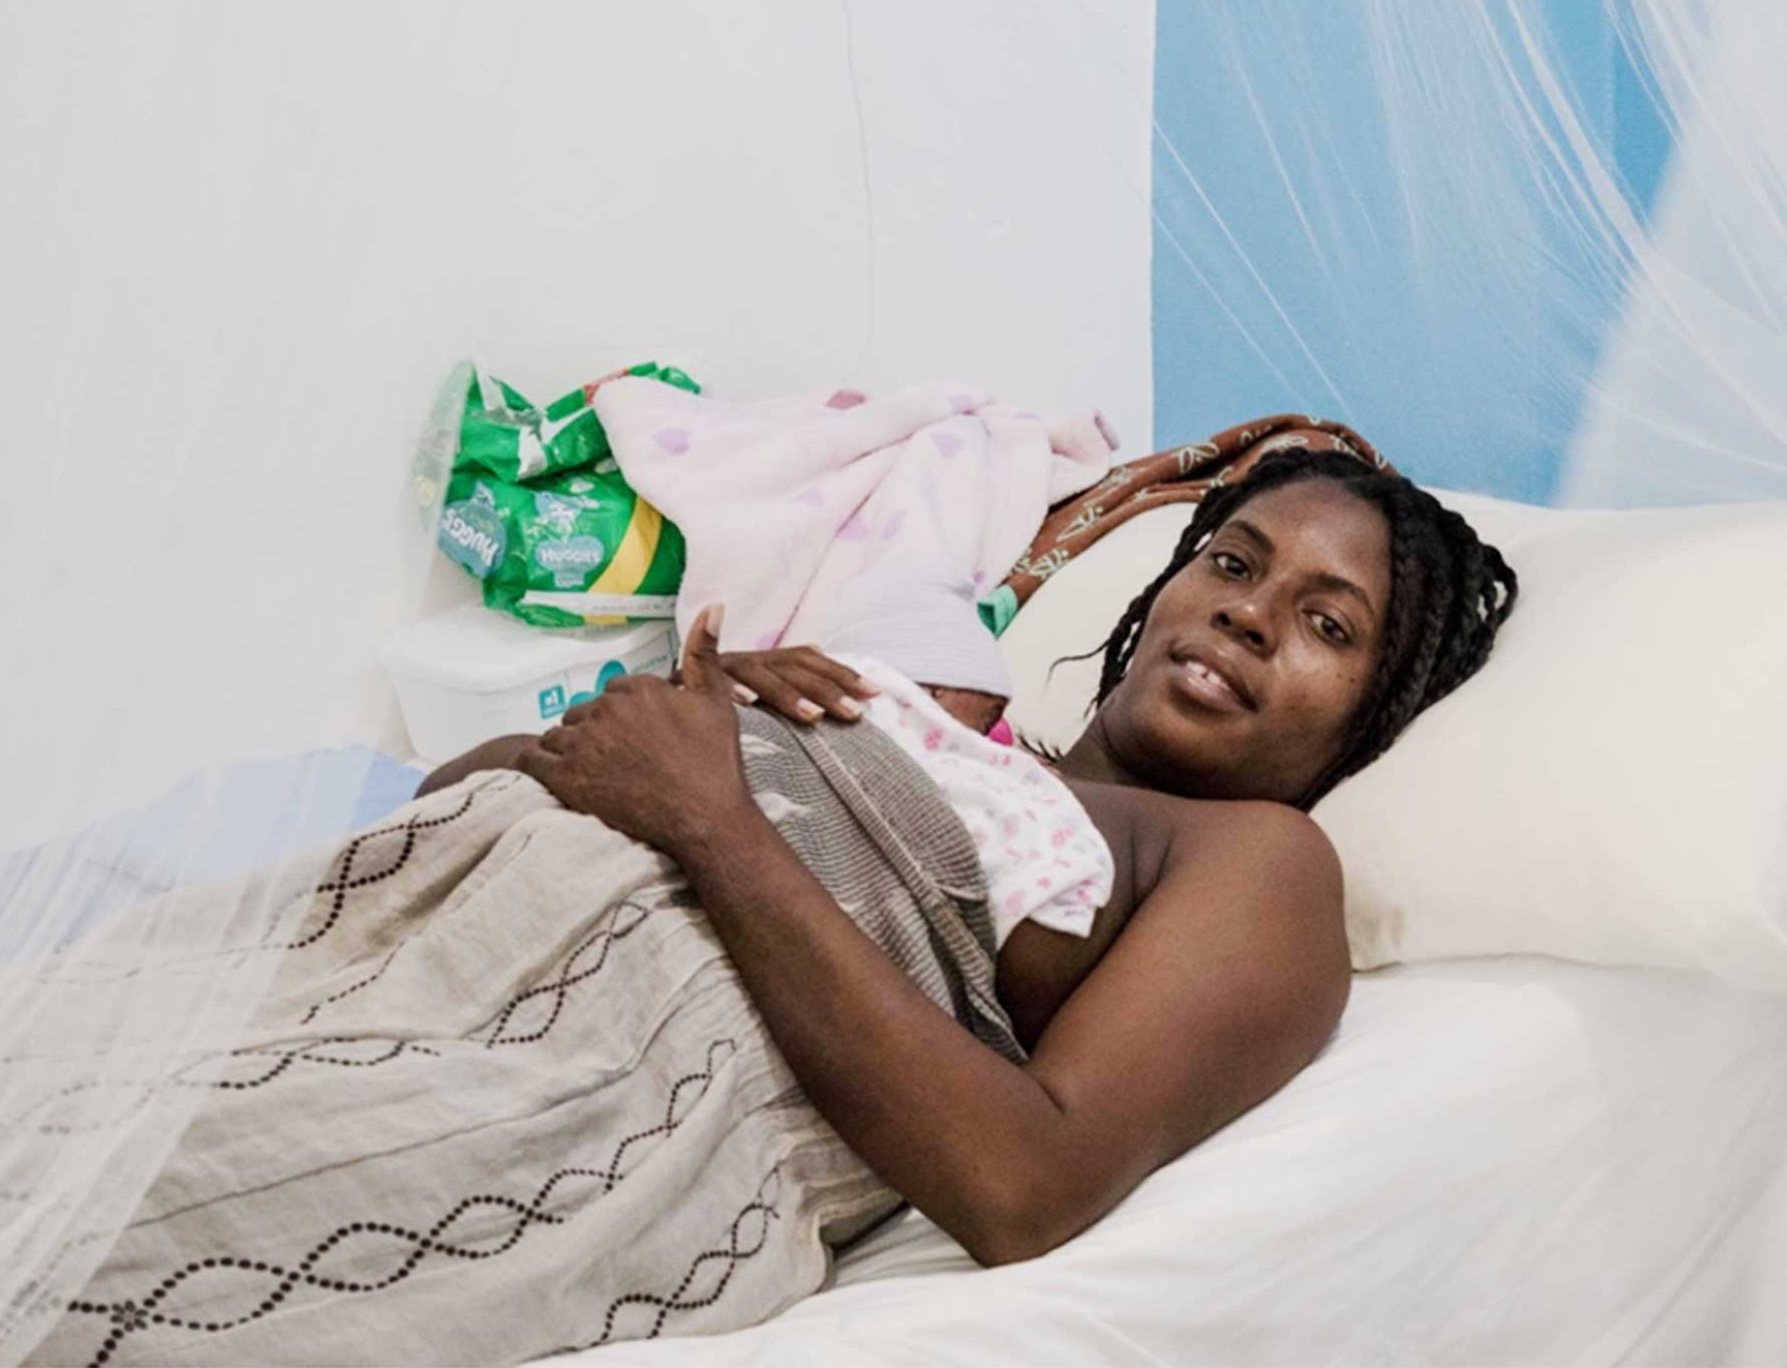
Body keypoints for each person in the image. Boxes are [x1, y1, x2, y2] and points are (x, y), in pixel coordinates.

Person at [418, 447, 1516, 1267]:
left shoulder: (1257, 863)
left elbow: (1023, 1190)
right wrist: (677, 729)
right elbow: (450, 800)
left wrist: (717, 817)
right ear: (1158, 595)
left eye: (1329, 626)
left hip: (576, 1056)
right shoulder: (927, 727)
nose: (1247, 614)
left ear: (1370, 719)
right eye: (1232, 563)